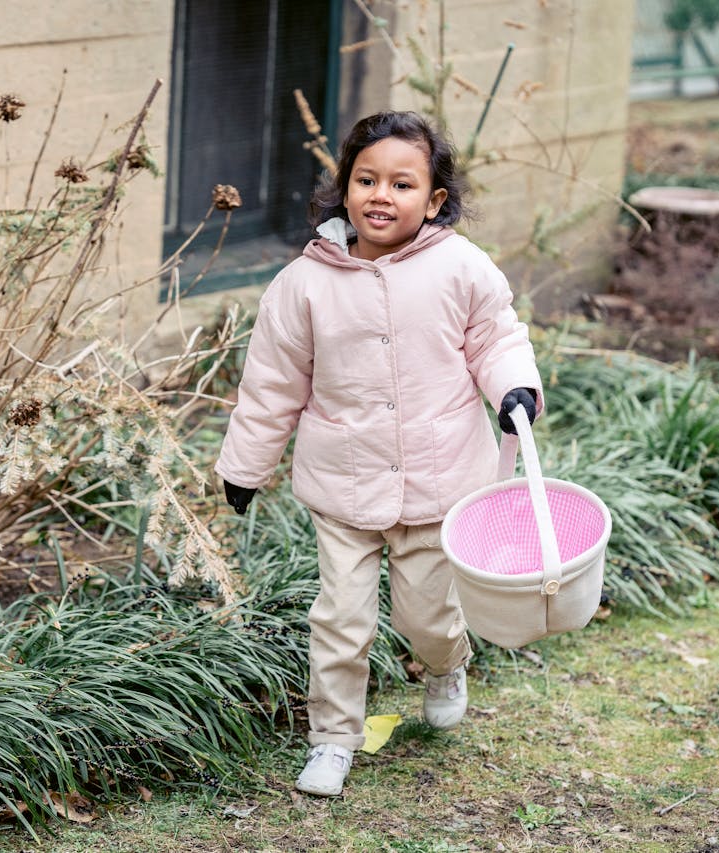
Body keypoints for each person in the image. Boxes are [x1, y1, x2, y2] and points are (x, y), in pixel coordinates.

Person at [215, 111, 544, 797]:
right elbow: (272, 383)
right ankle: (334, 738)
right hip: (345, 487)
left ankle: (446, 664)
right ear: (344, 189)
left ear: (434, 200)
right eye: (366, 179)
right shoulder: (304, 284)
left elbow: (496, 337)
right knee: (340, 618)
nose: (381, 196)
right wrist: (245, 466)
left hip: (439, 481)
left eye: (402, 183)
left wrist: (514, 387)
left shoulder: (461, 267)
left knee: (427, 616)